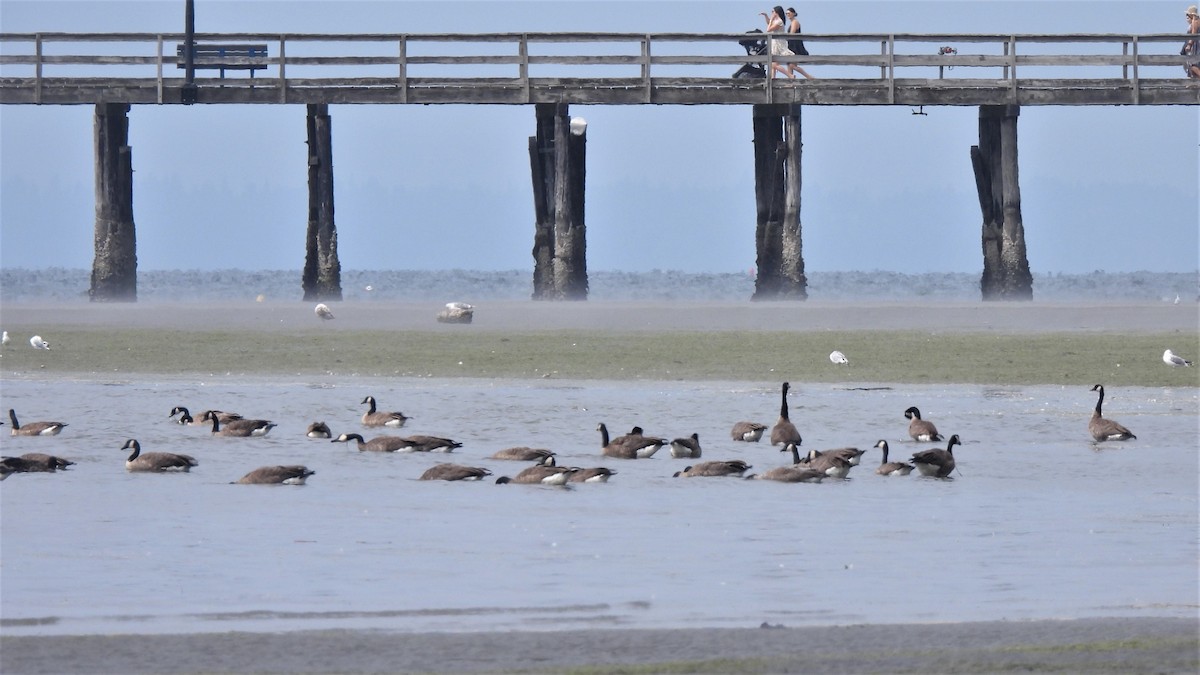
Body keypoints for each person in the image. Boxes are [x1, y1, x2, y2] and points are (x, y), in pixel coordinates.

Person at [759, 6, 795, 79]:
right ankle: (773, 77)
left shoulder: (779, 22)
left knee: (773, 63)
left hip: (778, 44)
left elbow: (768, 29)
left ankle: (790, 75)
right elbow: (769, 23)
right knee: (774, 62)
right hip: (775, 43)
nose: (772, 13)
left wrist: (771, 19)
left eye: (773, 12)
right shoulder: (777, 21)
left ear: (776, 12)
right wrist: (766, 16)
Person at [784, 7, 814, 80]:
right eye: (786, 13)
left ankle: (809, 76)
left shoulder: (795, 22)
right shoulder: (792, 23)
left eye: (789, 13)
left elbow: (792, 33)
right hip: (791, 45)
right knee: (789, 65)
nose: (787, 15)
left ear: (793, 13)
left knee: (792, 65)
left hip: (795, 45)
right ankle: (790, 82)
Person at [1184, 5, 1200, 78]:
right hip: (1196, 45)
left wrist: (1189, 44)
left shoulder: (1195, 20)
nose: (1186, 17)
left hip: (1196, 46)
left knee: (1192, 65)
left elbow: (1194, 33)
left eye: (1188, 14)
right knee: (1193, 66)